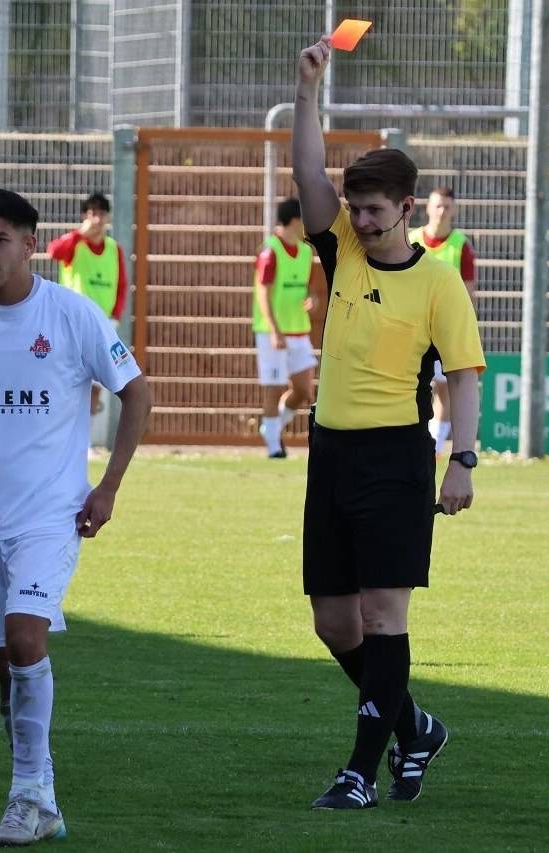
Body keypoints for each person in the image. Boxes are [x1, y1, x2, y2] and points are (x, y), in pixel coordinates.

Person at [0, 189, 151, 845]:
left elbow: (136, 394)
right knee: (7, 675)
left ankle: (25, 795)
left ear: (29, 244)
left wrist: (108, 487)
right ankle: (43, 795)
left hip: (51, 515)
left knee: (24, 638)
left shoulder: (71, 314)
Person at [292, 39, 485, 810]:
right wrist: (307, 90)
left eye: (375, 209)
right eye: (356, 208)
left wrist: (462, 459)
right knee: (333, 622)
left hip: (396, 460)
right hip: (331, 454)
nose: (362, 220)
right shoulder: (341, 249)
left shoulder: (438, 282)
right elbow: (307, 174)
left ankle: (359, 773)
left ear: (408, 208)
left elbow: (463, 375)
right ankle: (415, 727)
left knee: (382, 614)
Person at [47, 191, 129, 416]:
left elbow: (122, 284)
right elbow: (53, 252)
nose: (97, 219)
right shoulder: (74, 243)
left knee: (96, 386)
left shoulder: (113, 248)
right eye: (93, 213)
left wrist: (116, 316)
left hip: (103, 324)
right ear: (85, 216)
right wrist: (79, 234)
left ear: (108, 218)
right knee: (70, 382)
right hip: (73, 324)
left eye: (102, 214)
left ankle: (87, 434)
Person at [408, 187, 477, 455]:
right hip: (410, 328)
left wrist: (462, 329)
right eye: (437, 206)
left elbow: (468, 292)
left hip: (443, 332)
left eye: (447, 206)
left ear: (454, 210)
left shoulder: (460, 245)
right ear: (427, 207)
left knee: (444, 390)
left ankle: (434, 448)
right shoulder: (412, 239)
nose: (442, 211)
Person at [252, 197, 318, 458]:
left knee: (304, 390)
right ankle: (273, 447)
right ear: (295, 221)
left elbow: (307, 286)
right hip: (273, 333)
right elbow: (263, 293)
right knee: (274, 386)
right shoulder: (270, 251)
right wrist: (274, 330)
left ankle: (273, 427)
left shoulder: (305, 252)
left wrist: (312, 298)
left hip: (298, 330)